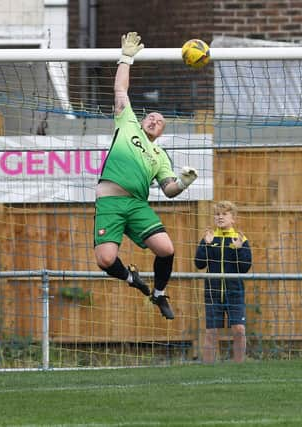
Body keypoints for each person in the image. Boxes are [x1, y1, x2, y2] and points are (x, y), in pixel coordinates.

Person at [94, 32, 198, 320]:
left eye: (160, 121)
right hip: (110, 203)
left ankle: (160, 294)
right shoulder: (127, 125)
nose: (155, 119)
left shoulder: (159, 155)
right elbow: (120, 90)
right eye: (151, 116)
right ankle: (132, 280)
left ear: (162, 132)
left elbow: (169, 189)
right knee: (105, 260)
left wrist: (185, 182)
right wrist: (126, 58)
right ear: (142, 120)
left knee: (166, 249)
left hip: (137, 205)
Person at [195, 200, 252, 363]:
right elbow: (199, 264)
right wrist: (205, 245)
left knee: (239, 330)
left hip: (235, 292)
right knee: (211, 332)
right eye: (217, 214)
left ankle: (239, 367)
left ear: (233, 218)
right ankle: (207, 369)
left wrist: (239, 249)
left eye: (224, 214)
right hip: (212, 293)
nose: (220, 217)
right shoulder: (209, 237)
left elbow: (245, 267)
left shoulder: (240, 239)